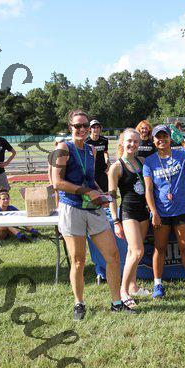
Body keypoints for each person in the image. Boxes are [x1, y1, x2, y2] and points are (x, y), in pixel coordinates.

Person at [52, 110, 134, 320]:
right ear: (70, 127)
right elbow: (57, 182)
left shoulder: (91, 150)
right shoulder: (63, 148)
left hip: (93, 208)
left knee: (113, 255)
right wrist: (87, 192)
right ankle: (79, 303)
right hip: (72, 208)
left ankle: (117, 302)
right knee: (78, 260)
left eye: (85, 126)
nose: (82, 129)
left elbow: (90, 180)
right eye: (77, 126)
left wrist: (101, 193)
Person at [143, 124, 185, 299]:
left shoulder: (181, 155)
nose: (162, 139)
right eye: (158, 137)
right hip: (161, 212)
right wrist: (154, 212)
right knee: (160, 248)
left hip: (182, 210)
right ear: (153, 140)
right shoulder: (149, 161)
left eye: (165, 136)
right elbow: (148, 190)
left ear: (170, 138)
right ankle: (158, 284)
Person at [108, 128, 152, 308]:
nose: (132, 144)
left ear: (139, 143)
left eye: (135, 141)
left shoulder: (142, 161)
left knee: (132, 252)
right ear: (122, 142)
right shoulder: (116, 167)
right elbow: (111, 197)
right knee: (137, 251)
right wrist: (115, 221)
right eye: (129, 141)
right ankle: (123, 291)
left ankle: (133, 286)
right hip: (128, 213)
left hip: (143, 212)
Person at [85, 119, 110, 192]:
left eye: (97, 127)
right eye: (93, 127)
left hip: (102, 169)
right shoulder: (86, 141)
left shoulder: (104, 140)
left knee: (105, 191)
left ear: (100, 128)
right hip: (91, 170)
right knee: (93, 192)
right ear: (90, 129)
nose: (96, 129)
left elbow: (105, 152)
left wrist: (107, 160)